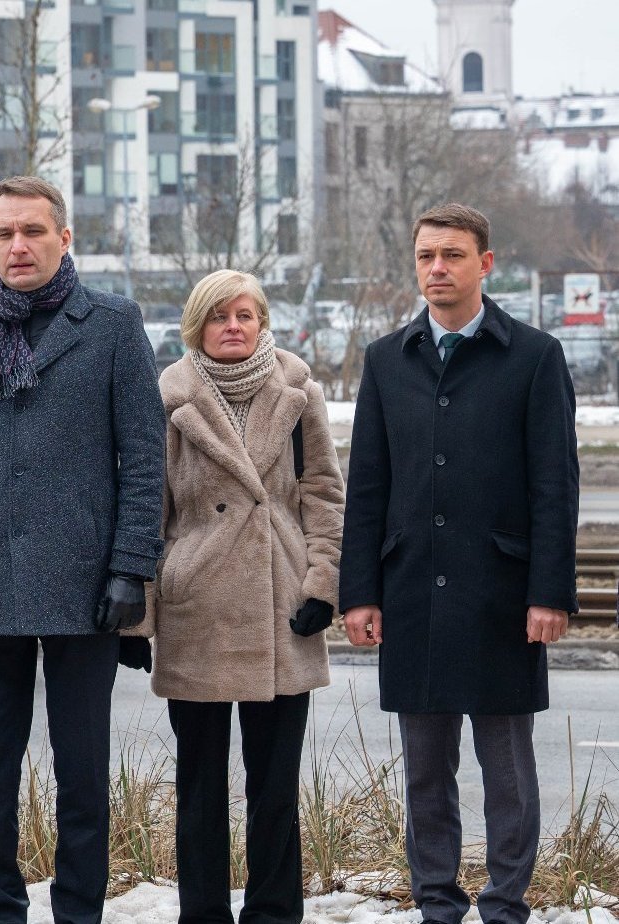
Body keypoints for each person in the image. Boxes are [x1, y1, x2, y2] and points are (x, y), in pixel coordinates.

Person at [0, 176, 165, 924]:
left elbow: (143, 459)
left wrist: (130, 567)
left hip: (85, 583)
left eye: (31, 231)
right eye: (3, 234)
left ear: (64, 238)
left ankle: (79, 910)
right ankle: (1, 908)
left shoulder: (114, 326)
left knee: (82, 768)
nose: (17, 246)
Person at [339, 203, 577, 924]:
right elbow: (367, 484)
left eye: (451, 255)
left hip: (504, 596)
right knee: (424, 771)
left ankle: (506, 904)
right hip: (412, 592)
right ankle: (435, 903)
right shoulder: (386, 359)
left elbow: (554, 484)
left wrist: (550, 593)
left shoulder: (534, 357)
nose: (436, 269)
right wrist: (360, 592)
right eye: (425, 257)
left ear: (485, 263)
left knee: (507, 768)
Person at [142, 269, 344, 924]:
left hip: (282, 606)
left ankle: (274, 914)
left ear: (263, 323)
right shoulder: (169, 399)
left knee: (275, 787)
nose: (233, 326)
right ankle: (202, 913)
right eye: (219, 316)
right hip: (195, 606)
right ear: (196, 326)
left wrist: (323, 583)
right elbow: (151, 510)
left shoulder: (298, 393)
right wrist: (138, 617)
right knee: (199, 788)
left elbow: (323, 495)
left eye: (245, 314)